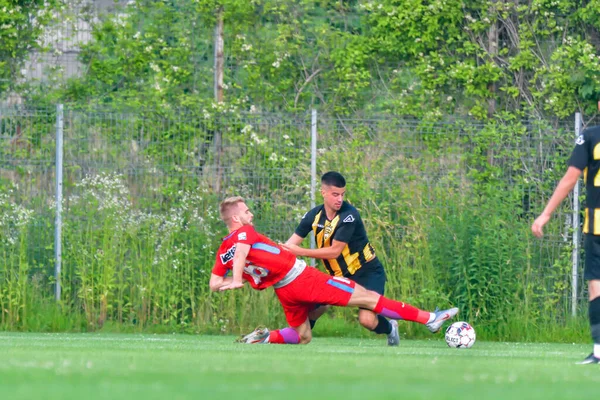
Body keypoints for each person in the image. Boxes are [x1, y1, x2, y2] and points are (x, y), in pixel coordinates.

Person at [210, 196, 458, 345]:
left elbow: (214, 283)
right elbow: (242, 251)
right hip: (303, 279)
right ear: (235, 219)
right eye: (246, 211)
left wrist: (233, 279)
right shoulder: (244, 232)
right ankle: (430, 319)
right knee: (369, 298)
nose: (250, 214)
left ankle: (265, 338)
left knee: (304, 336)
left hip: (284, 291)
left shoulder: (223, 249)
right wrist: (237, 277)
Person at [281, 171, 400, 346]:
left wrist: (300, 251)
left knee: (367, 320)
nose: (340, 199)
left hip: (366, 272)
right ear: (323, 193)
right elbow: (288, 246)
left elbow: (334, 251)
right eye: (335, 194)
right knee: (313, 310)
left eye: (342, 194)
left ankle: (390, 328)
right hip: (338, 276)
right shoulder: (313, 216)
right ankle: (297, 340)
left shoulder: (349, 215)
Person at [532, 125, 600, 364]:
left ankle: (599, 352)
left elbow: (571, 177)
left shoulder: (591, 136)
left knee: (597, 285)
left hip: (597, 224)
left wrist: (546, 213)